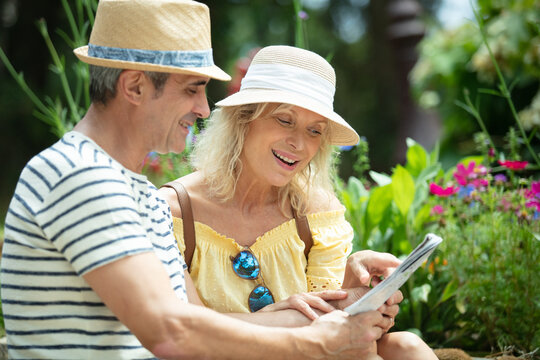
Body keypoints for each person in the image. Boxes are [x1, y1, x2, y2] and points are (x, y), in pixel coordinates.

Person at [0, 1, 393, 359]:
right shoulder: (80, 177)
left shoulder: (139, 195)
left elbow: (191, 321)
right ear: (134, 86)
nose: (204, 108)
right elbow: (172, 333)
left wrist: (349, 297)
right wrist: (318, 342)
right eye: (192, 90)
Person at [160, 45, 438, 359]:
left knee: (407, 347)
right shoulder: (172, 212)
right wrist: (282, 319)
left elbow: (331, 323)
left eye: (314, 130)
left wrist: (356, 286)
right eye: (285, 120)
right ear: (243, 118)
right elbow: (184, 333)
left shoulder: (315, 211)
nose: (299, 144)